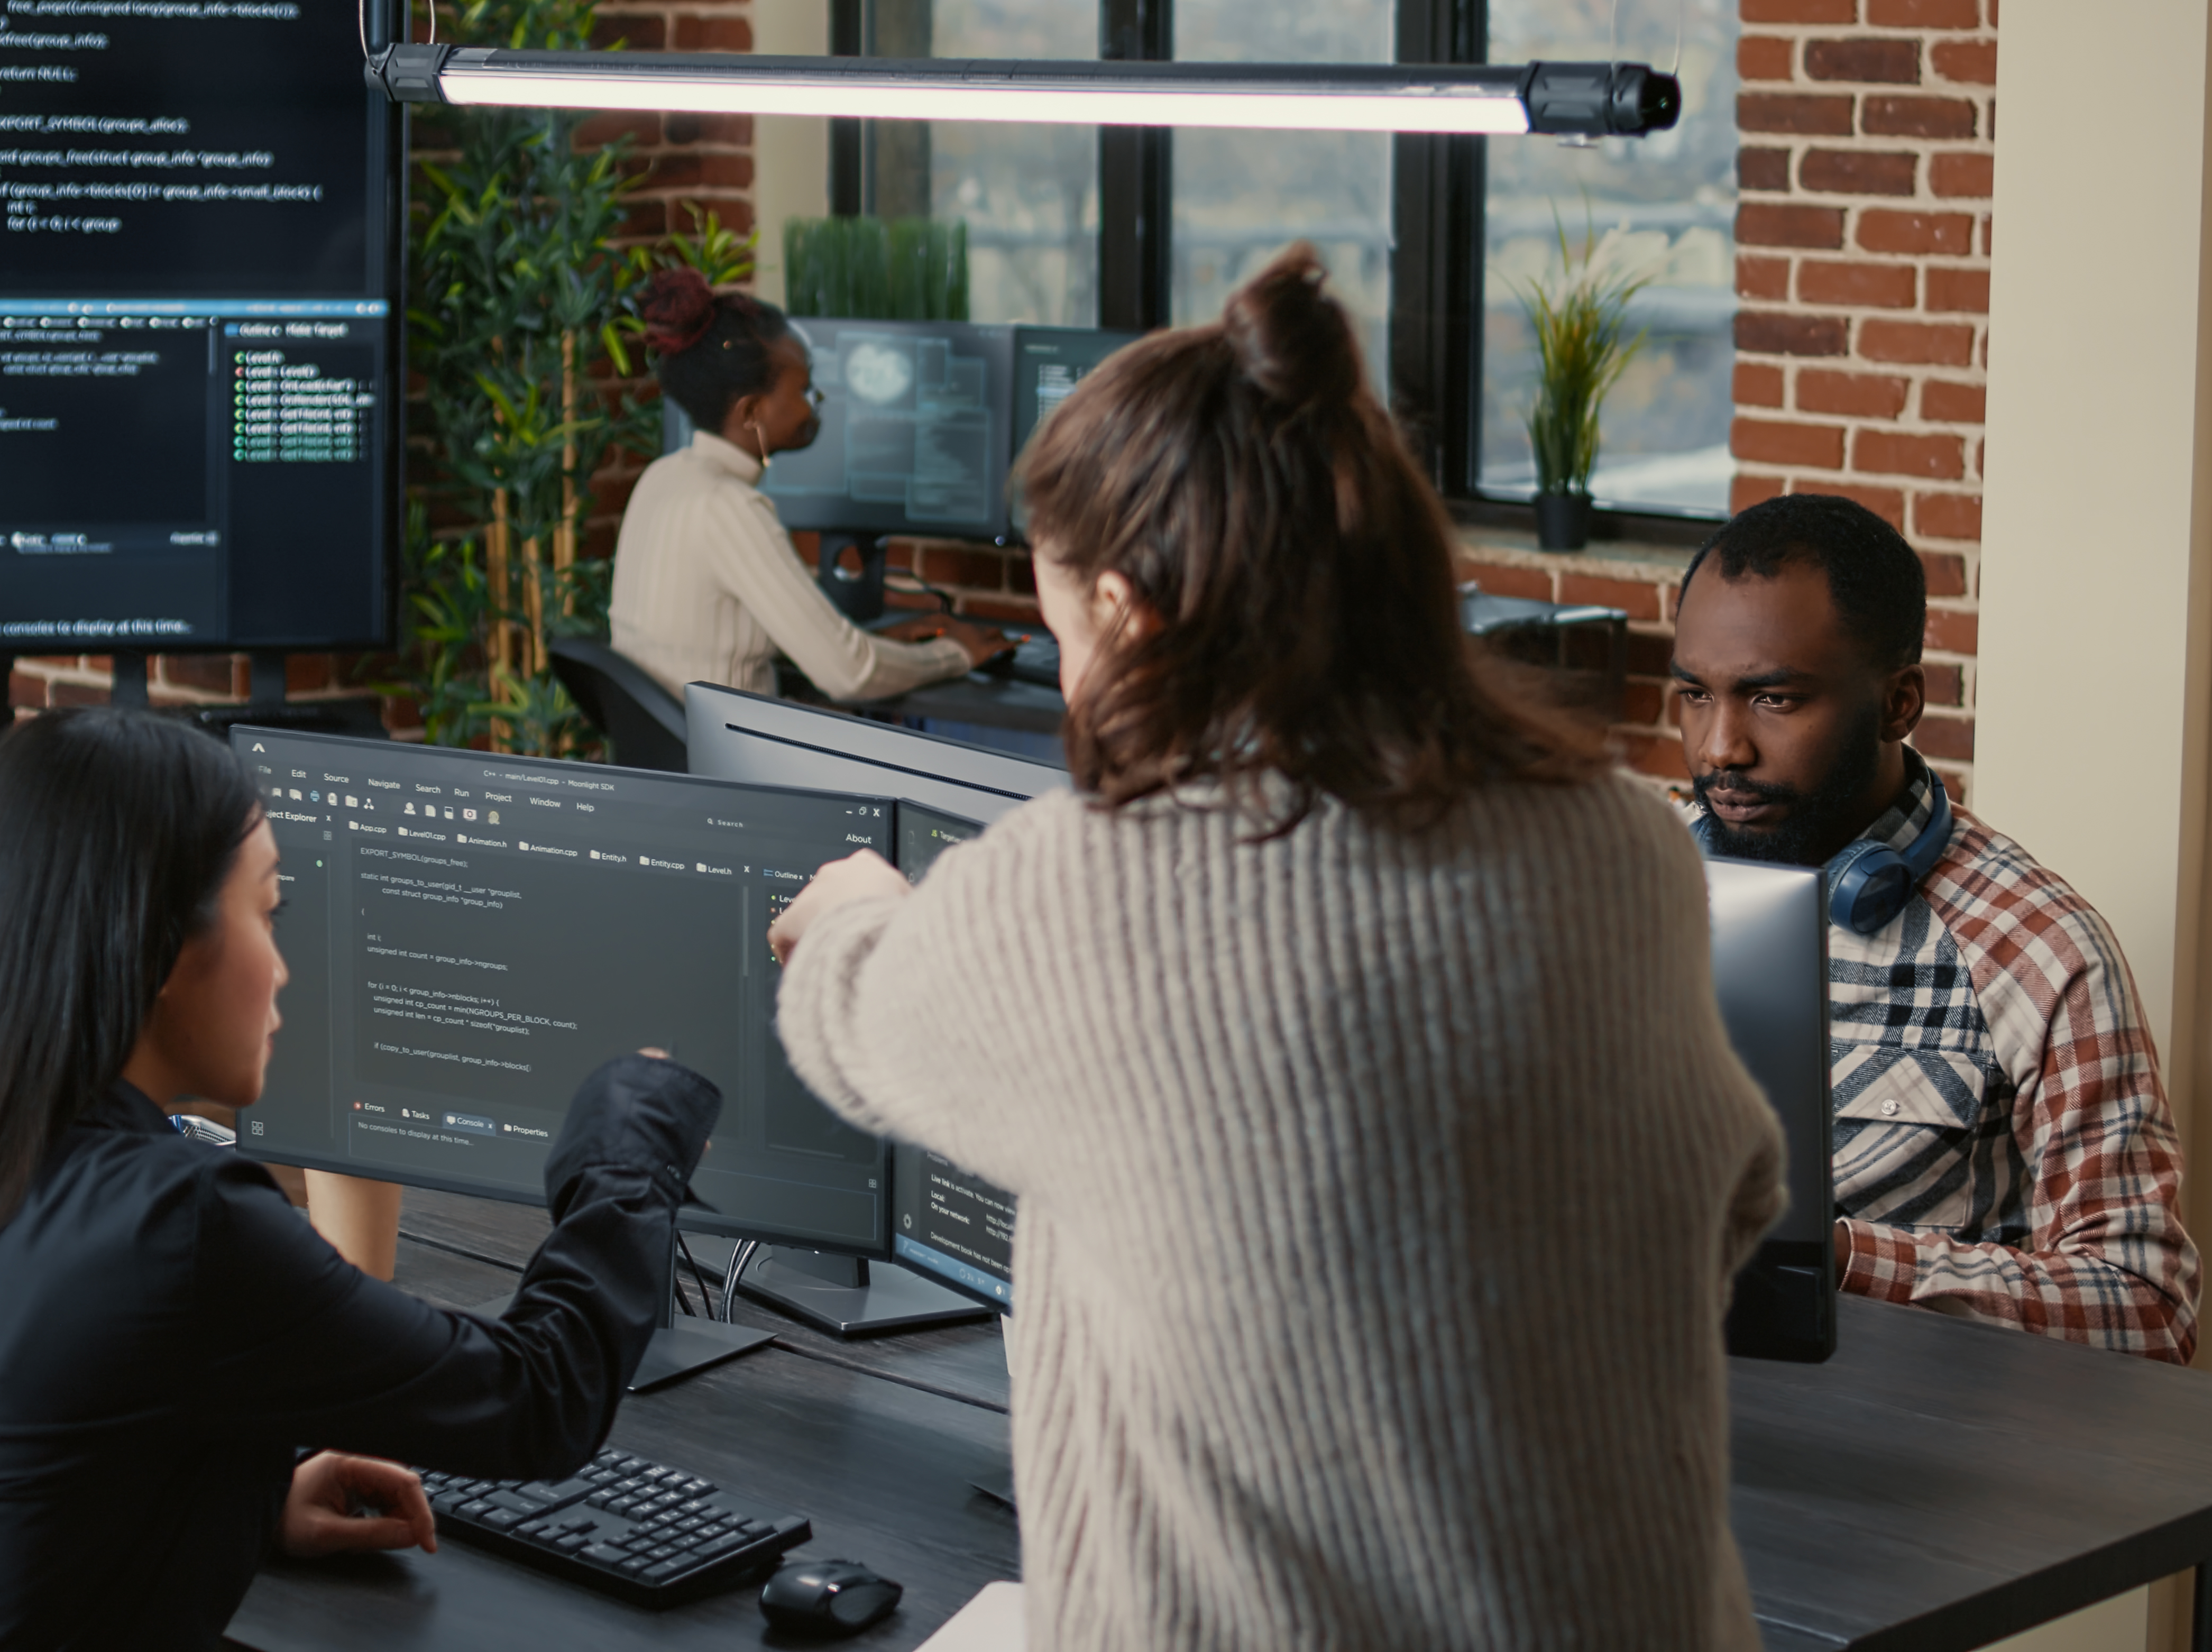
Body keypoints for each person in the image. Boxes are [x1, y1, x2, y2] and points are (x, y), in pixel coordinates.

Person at [763, 246, 1787, 1650]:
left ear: (1124, 612)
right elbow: (1734, 1199)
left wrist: (853, 910)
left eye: (1064, 626)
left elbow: (851, 1009)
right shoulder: (1622, 842)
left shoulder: (1088, 888)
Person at [0, 709, 721, 1652]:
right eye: (267, 911)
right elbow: (537, 1395)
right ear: (153, 944)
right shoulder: (175, 1222)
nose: (282, 968)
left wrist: (245, 1498)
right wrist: (632, 1124)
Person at [1668, 492, 2201, 1362]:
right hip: (1632, 1407)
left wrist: (1830, 1257)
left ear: (1897, 703)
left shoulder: (2040, 949)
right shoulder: (1626, 887)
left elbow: (2147, 1310)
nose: (1718, 748)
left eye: (1771, 699)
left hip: (1894, 1460)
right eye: (1694, 693)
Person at [607, 270, 1011, 700]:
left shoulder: (663, 478)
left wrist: (883, 645)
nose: (816, 401)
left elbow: (717, 633)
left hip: (671, 758)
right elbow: (849, 675)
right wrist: (955, 654)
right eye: (804, 388)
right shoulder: (730, 507)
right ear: (751, 413)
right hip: (726, 763)